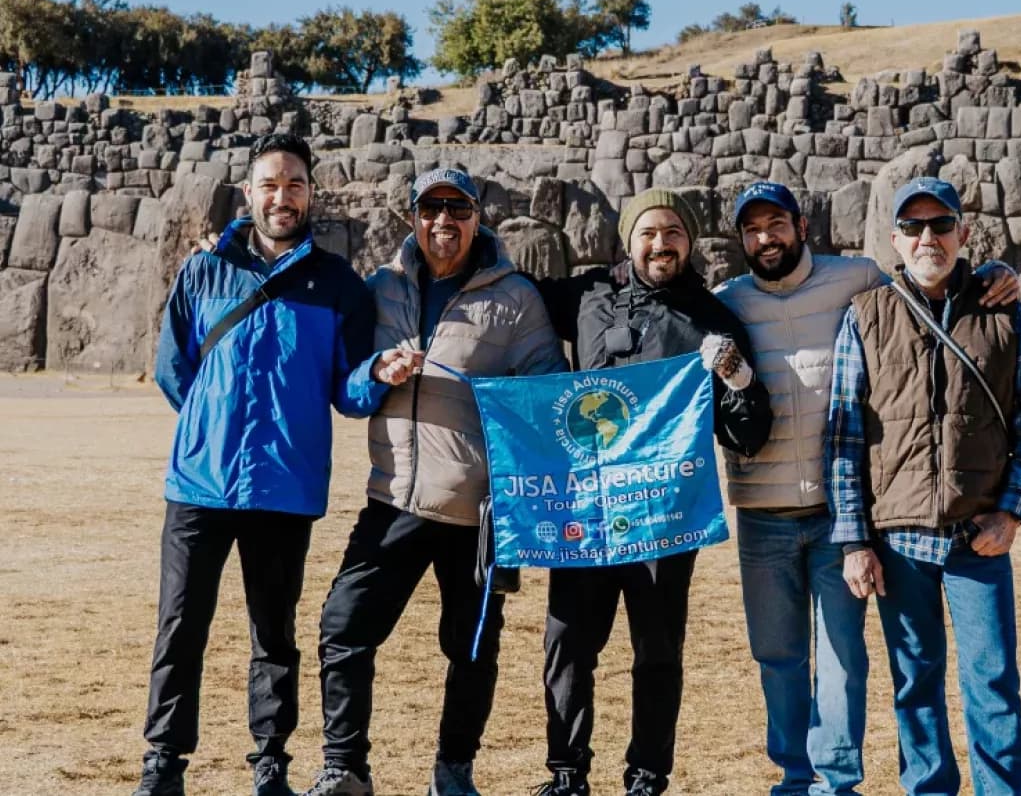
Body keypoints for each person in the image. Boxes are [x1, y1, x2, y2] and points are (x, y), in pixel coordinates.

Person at [713, 181, 1020, 796]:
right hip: (770, 511)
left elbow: (933, 277)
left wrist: (998, 270)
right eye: (752, 229)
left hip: (840, 516)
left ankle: (836, 783)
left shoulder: (859, 281)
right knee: (782, 658)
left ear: (802, 225)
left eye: (776, 223)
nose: (765, 237)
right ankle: (797, 779)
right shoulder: (727, 301)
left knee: (847, 660)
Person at [134, 133, 398, 796]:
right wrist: (208, 430)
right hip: (201, 483)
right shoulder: (205, 271)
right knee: (180, 625)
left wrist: (380, 373)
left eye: (295, 185)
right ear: (248, 193)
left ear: (311, 194)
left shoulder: (338, 286)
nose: (282, 197)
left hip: (284, 486)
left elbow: (349, 390)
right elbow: (175, 370)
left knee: (273, 633)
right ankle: (163, 764)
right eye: (270, 185)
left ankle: (270, 763)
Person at [301, 168, 568, 796]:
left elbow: (547, 391)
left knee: (471, 648)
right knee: (343, 627)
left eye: (457, 208)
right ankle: (346, 768)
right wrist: (377, 370)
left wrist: (500, 398)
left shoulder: (515, 298)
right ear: (412, 217)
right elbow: (349, 389)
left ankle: (453, 770)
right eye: (430, 208)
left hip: (477, 512)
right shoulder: (383, 290)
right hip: (392, 497)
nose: (443, 221)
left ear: (477, 217)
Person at [531, 189, 773, 796]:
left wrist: (736, 375)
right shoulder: (586, 296)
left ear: (689, 242)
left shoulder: (711, 319)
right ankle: (566, 774)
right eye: (648, 232)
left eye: (673, 233)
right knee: (568, 644)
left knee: (658, 650)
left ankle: (646, 774)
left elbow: (749, 431)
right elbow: (508, 296)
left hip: (664, 516)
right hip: (585, 508)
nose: (660, 243)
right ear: (627, 238)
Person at [826, 177, 1021, 796]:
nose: (928, 237)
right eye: (914, 227)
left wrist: (1012, 513)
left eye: (941, 224)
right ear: (895, 240)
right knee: (914, 683)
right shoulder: (865, 317)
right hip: (899, 544)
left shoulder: (1003, 312)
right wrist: (853, 540)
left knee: (993, 683)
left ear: (963, 234)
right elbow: (844, 439)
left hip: (976, 537)